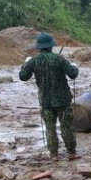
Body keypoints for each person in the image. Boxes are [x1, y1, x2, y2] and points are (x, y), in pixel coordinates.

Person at [19, 33, 79, 161]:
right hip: (63, 100)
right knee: (66, 127)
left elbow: (23, 76)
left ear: (39, 47)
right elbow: (73, 74)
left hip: (45, 101)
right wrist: (74, 66)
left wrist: (26, 64)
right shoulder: (59, 59)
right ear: (51, 46)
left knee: (50, 128)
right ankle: (71, 152)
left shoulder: (34, 61)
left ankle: (54, 154)